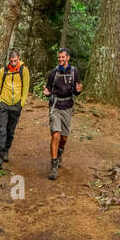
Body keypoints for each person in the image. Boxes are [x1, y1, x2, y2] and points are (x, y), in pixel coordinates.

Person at [42, 48, 82, 180]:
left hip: (67, 106)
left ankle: (60, 153)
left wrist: (78, 91)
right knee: (55, 135)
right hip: (55, 105)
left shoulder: (74, 72)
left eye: (63, 57)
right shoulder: (53, 73)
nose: (60, 59)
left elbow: (76, 91)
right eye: (59, 57)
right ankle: (53, 166)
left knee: (64, 137)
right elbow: (48, 89)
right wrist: (47, 94)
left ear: (68, 58)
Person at [0, 49, 30, 170]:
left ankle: (6, 150)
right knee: (1, 130)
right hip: (4, 105)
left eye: (15, 60)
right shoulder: (3, 71)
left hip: (16, 105)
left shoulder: (24, 71)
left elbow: (26, 88)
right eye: (12, 61)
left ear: (18, 58)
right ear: (9, 60)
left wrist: (21, 103)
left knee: (10, 131)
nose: (13, 63)